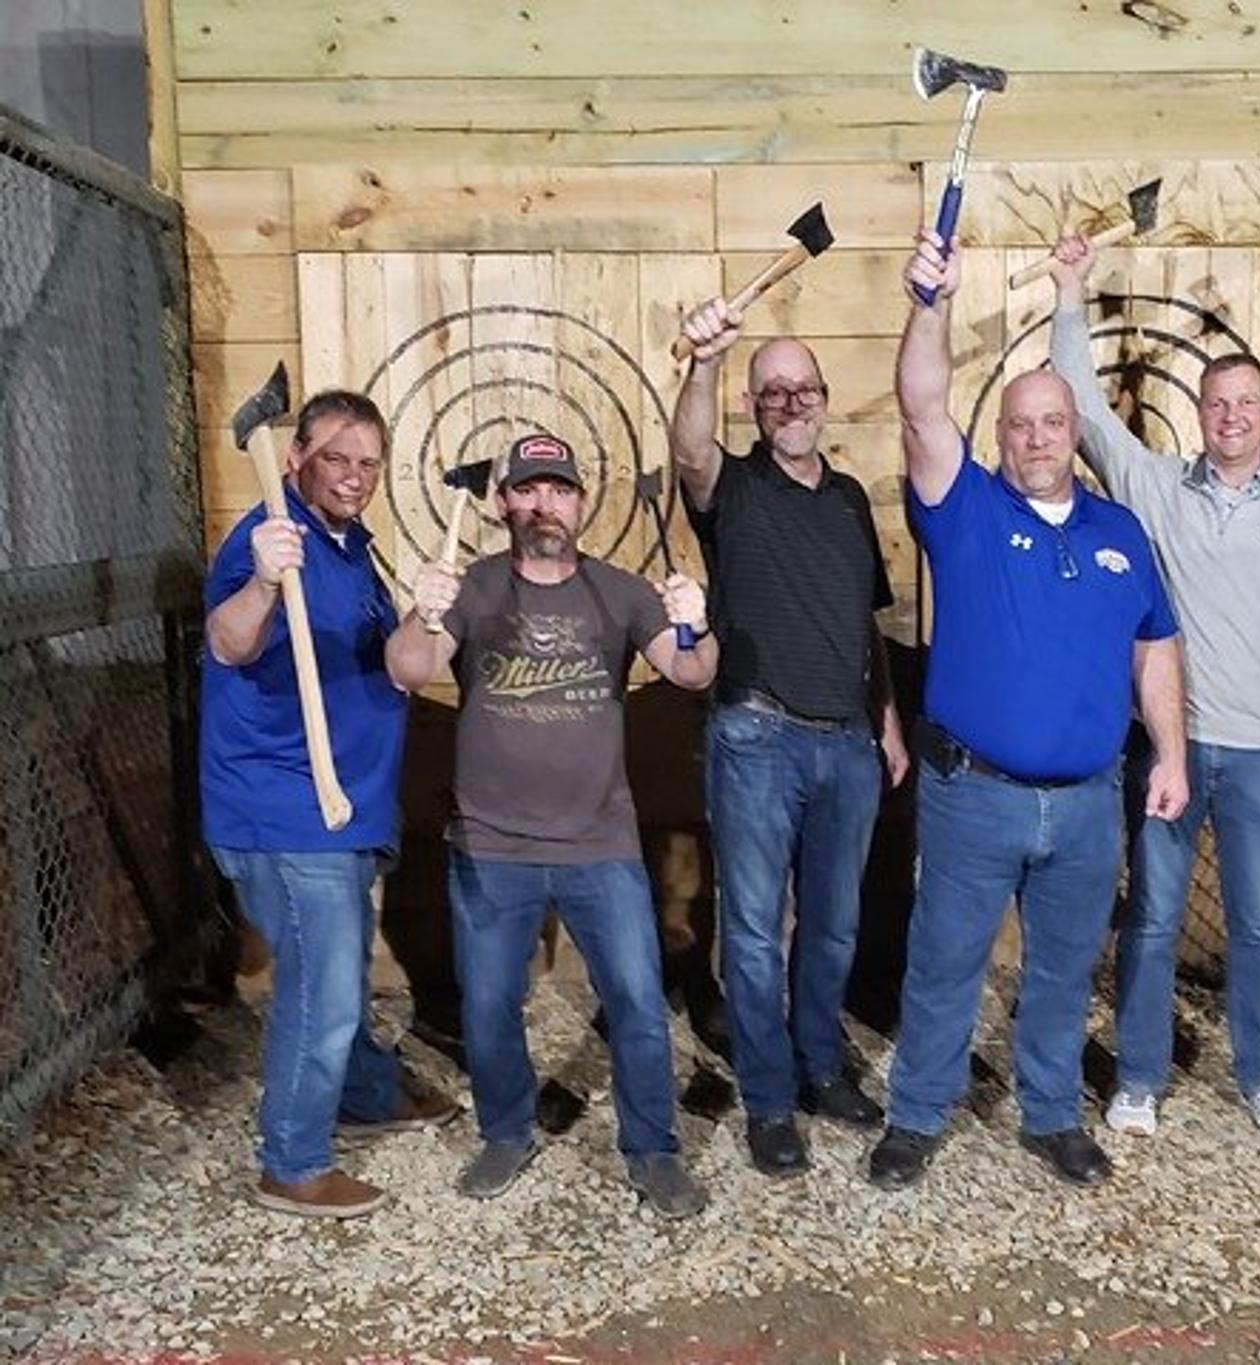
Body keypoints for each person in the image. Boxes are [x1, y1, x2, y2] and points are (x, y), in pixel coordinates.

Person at [867, 230, 1190, 1191]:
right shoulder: (963, 508)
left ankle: (1050, 1114)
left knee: (1061, 970)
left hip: (1090, 801)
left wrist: (1168, 752)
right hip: (977, 797)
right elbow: (922, 405)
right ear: (999, 436)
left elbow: (1154, 643)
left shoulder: (1120, 531)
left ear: (1073, 431)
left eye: (1054, 422)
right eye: (1021, 425)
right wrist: (930, 302)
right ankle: (918, 1114)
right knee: (945, 961)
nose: (1040, 438)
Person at [1042, 233, 1260, 1138]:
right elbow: (1090, 417)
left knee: (1259, 927)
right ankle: (1139, 1076)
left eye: (1246, 402)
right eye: (1217, 402)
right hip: (1171, 747)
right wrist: (1071, 291)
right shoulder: (1154, 488)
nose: (1229, 416)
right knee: (1154, 919)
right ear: (1202, 414)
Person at [386, 432, 719, 1219]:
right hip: (490, 844)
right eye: (529, 490)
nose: (545, 505)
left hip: (599, 841)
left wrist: (694, 623)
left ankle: (654, 1151)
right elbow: (408, 669)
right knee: (491, 1004)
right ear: (504, 502)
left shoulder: (620, 592)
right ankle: (507, 1132)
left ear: (578, 501)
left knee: (637, 1003)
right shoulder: (467, 588)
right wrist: (420, 613)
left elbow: (693, 672)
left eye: (559, 490)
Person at [202, 389, 456, 1219]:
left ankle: (368, 1092)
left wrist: (424, 613)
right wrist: (268, 585)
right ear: (293, 457)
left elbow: (400, 668)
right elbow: (229, 640)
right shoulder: (267, 538)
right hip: (283, 808)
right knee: (325, 981)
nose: (352, 477)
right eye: (335, 459)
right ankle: (294, 1159)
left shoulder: (351, 547)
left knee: (336, 964)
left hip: (343, 809)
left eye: (368, 464)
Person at [669, 301, 909, 1178]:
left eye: (802, 387)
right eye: (770, 392)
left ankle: (820, 1067)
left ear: (824, 399)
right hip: (756, 736)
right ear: (754, 407)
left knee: (836, 928)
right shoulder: (729, 488)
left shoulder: (847, 500)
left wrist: (884, 721)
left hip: (845, 740)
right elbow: (690, 451)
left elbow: (864, 623)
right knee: (758, 932)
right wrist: (702, 363)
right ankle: (770, 1101)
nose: (789, 401)